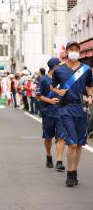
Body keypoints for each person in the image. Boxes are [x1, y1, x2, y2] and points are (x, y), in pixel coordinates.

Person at [51, 41, 93, 187]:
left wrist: (90, 95)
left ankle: (75, 172)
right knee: (72, 143)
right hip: (66, 108)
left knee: (80, 143)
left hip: (82, 109)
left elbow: (90, 86)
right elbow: (52, 86)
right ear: (67, 51)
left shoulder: (86, 69)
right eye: (71, 49)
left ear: (79, 51)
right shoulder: (59, 70)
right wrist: (58, 91)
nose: (74, 51)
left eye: (76, 49)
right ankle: (69, 174)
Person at [36, 58, 66, 172]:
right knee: (48, 137)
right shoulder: (44, 80)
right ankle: (49, 155)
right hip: (48, 112)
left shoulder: (63, 79)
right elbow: (38, 95)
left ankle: (59, 161)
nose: (61, 67)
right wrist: (50, 101)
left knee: (61, 137)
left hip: (61, 112)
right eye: (59, 65)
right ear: (54, 67)